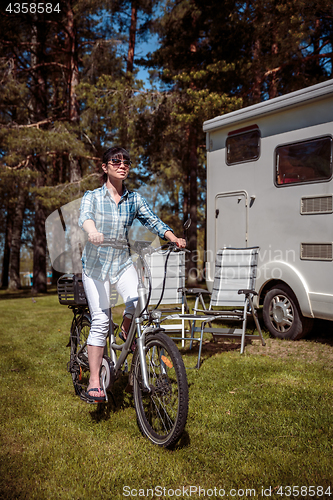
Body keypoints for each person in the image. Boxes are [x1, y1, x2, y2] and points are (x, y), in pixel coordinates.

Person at [78, 146, 186, 403]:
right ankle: (94, 380)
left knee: (140, 301)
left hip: (121, 262)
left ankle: (126, 331)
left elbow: (153, 221)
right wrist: (92, 231)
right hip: (95, 267)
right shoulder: (92, 196)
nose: (122, 164)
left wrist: (173, 238)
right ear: (105, 167)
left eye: (126, 161)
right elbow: (85, 217)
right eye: (116, 161)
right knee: (102, 321)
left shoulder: (134, 199)